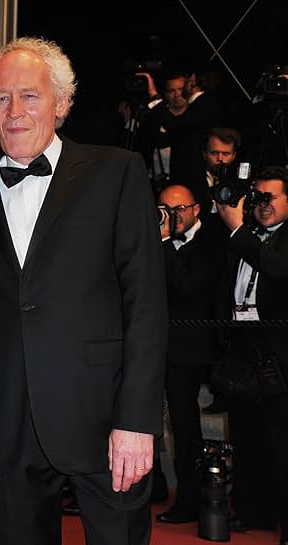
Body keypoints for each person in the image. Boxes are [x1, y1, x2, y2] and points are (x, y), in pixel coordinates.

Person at [0, 36, 167, 545]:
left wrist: (137, 421)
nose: (15, 111)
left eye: (30, 96)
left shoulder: (117, 172)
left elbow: (147, 306)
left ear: (62, 104)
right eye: (1, 98)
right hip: (10, 422)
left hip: (104, 418)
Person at [215, 166, 288, 545]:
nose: (263, 205)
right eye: (257, 198)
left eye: (271, 197)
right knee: (247, 438)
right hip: (244, 353)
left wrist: (238, 231)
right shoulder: (244, 238)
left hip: (281, 357)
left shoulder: (261, 239)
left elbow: (276, 267)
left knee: (283, 444)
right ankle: (253, 511)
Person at [155, 184, 227, 524]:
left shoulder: (212, 242)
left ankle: (190, 501)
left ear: (197, 209)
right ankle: (155, 487)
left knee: (186, 430)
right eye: (165, 209)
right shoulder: (155, 241)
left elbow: (185, 287)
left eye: (180, 208)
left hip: (193, 349)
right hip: (160, 346)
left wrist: (166, 241)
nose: (173, 216)